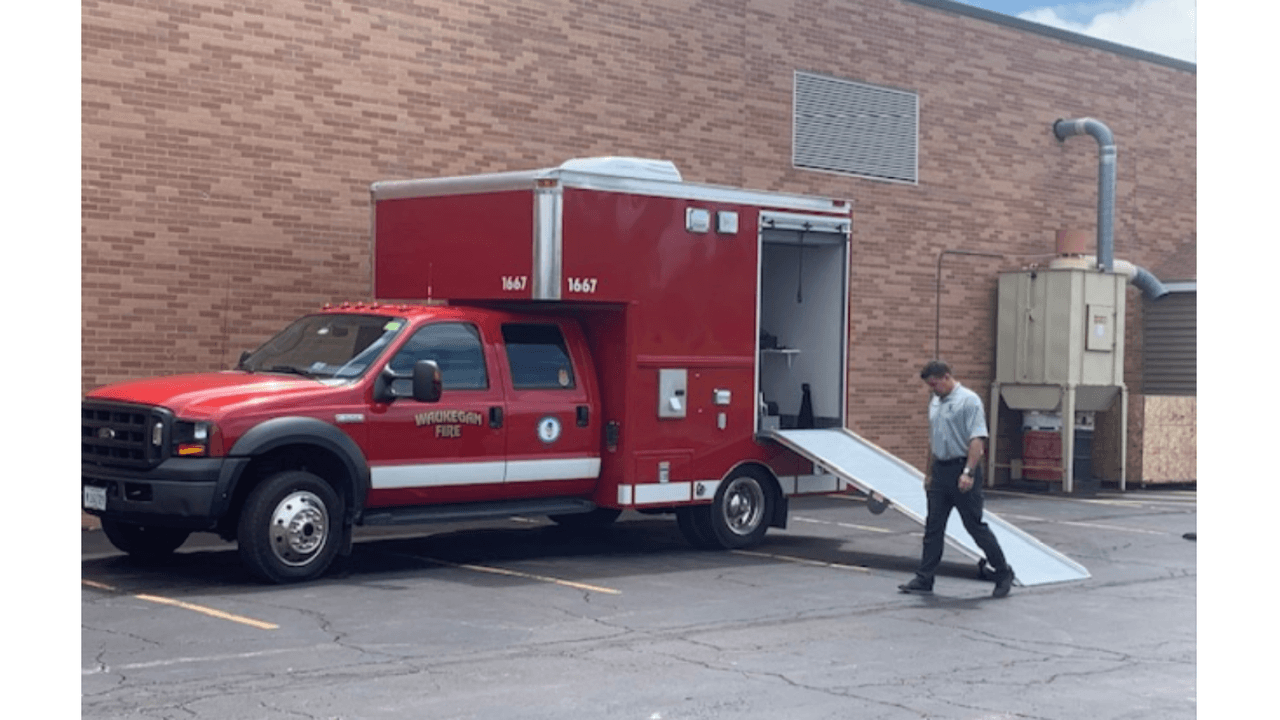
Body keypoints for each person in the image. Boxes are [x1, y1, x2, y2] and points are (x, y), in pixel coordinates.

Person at [898, 360, 1015, 598]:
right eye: (929, 386)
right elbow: (934, 439)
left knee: (974, 527)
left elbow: (977, 440)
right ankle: (924, 578)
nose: (933, 389)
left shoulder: (968, 401)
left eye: (935, 384)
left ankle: (1003, 572)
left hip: (962, 468)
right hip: (940, 471)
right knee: (933, 527)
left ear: (947, 377)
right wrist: (928, 473)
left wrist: (968, 472)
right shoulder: (935, 402)